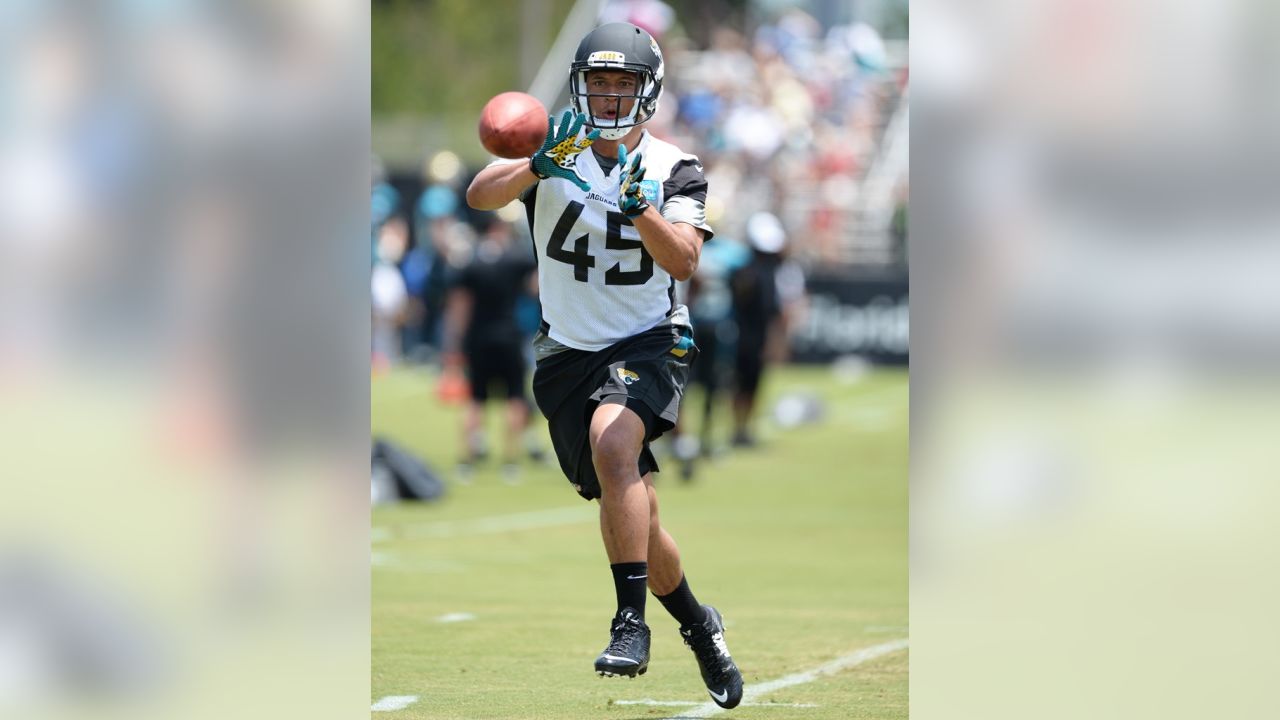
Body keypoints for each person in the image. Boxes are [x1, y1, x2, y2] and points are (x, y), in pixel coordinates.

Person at [465, 22, 743, 709]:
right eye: (600, 82)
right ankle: (700, 625)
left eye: (624, 84)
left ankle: (630, 625)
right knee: (639, 518)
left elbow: (683, 261)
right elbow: (479, 194)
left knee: (614, 442)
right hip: (566, 354)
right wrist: (538, 165)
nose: (611, 96)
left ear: (647, 91)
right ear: (579, 86)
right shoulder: (552, 149)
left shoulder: (674, 166)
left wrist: (639, 207)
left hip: (650, 339)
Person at [439, 216, 540, 482]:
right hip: (509, 335)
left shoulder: (470, 262)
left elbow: (459, 306)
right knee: (515, 398)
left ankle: (467, 460)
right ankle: (511, 461)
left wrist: (453, 343)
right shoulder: (515, 258)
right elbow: (535, 285)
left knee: (475, 400)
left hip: (478, 338)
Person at [728, 211, 805, 446]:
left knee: (752, 384)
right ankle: (739, 428)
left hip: (755, 337)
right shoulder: (744, 271)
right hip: (742, 337)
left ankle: (743, 428)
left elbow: (774, 311)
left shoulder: (769, 271)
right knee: (741, 384)